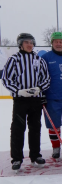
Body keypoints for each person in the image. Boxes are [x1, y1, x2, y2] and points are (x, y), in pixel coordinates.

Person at [1, 33, 50, 171]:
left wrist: (39, 88)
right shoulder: (14, 59)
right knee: (18, 128)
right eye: (26, 42)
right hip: (20, 100)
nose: (29, 45)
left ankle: (35, 155)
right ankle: (17, 158)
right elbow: (6, 79)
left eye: (31, 42)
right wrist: (18, 91)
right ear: (20, 44)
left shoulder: (39, 59)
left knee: (35, 128)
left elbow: (46, 78)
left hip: (35, 99)